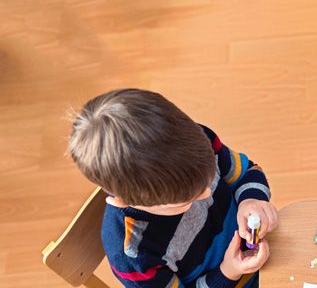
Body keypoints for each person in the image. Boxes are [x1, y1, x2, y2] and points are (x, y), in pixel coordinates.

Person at [68, 88, 277, 287]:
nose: (208, 194)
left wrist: (251, 200)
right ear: (127, 201)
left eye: (210, 177)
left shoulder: (195, 143)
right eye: (188, 199)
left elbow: (248, 172)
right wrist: (228, 272)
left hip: (271, 255)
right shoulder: (133, 255)